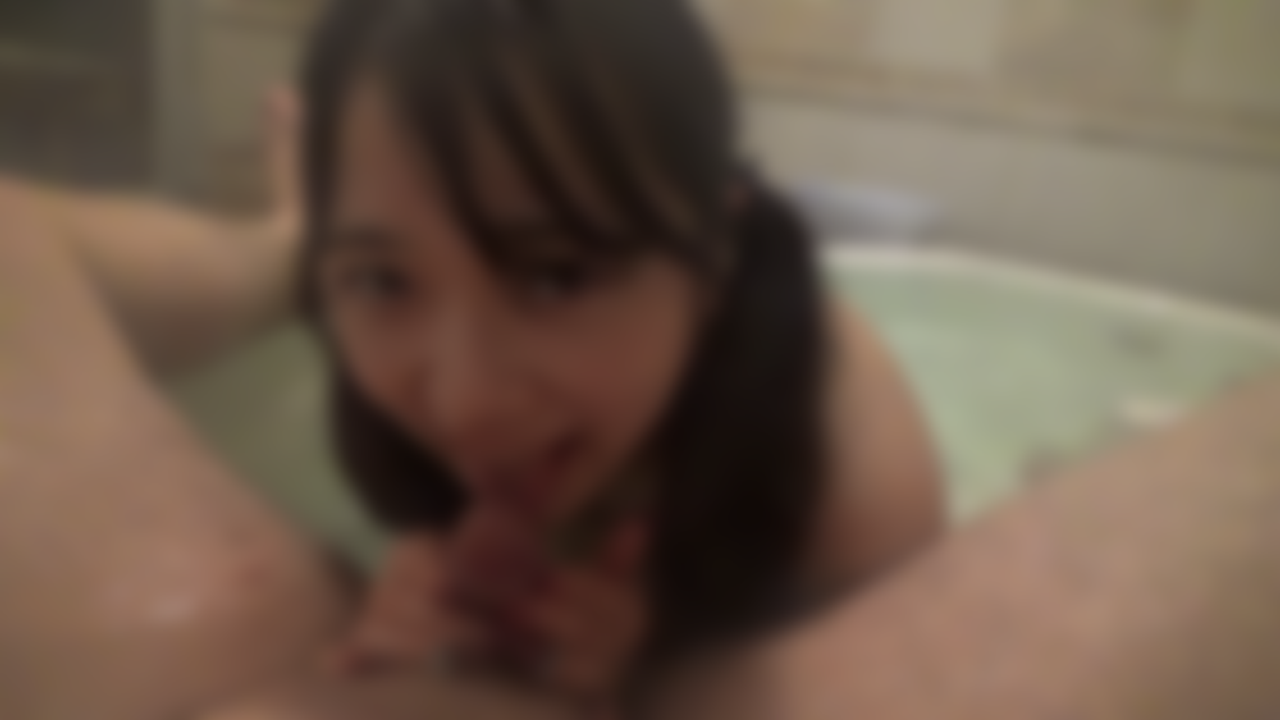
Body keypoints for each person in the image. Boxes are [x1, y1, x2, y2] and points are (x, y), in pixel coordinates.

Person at [288, 0, 944, 710]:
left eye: (557, 275)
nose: (462, 404)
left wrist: (662, 669)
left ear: (713, 261)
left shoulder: (853, 478)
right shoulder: (366, 361)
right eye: (382, 280)